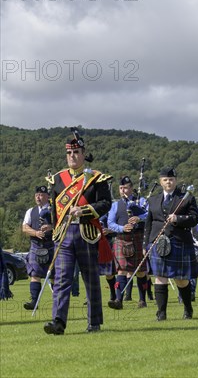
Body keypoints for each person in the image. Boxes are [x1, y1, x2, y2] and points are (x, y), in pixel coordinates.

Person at [44, 129, 113, 335]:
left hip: (87, 232)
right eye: (69, 153)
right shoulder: (57, 179)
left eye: (76, 152)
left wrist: (82, 210)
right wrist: (56, 230)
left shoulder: (97, 178)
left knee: (90, 278)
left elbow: (105, 204)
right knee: (63, 278)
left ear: (83, 154)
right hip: (64, 234)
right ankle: (58, 321)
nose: (72, 156)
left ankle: (94, 321)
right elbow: (54, 209)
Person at [144, 167, 198, 321]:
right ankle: (161, 313)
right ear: (161, 182)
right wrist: (145, 244)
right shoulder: (153, 200)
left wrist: (178, 219)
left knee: (181, 279)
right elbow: (149, 223)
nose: (168, 182)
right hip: (158, 242)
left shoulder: (186, 198)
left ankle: (188, 308)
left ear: (176, 180)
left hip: (179, 241)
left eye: (171, 179)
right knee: (160, 277)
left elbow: (195, 218)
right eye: (165, 179)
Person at [107, 176, 149, 309]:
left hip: (138, 237)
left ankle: (142, 300)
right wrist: (122, 228)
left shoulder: (141, 201)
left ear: (131, 188)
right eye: (120, 188)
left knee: (141, 271)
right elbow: (110, 223)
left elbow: (149, 215)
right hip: (122, 239)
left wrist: (139, 218)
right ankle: (119, 300)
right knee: (121, 270)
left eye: (125, 187)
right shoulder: (115, 205)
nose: (122, 190)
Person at [21, 185, 54, 310]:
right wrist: (35, 233)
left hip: (51, 246)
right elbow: (24, 227)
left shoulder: (54, 210)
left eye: (40, 195)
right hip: (36, 246)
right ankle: (34, 302)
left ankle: (58, 300)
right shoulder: (31, 211)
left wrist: (51, 227)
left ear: (47, 196)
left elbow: (62, 225)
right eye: (36, 195)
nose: (38, 197)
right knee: (34, 274)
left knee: (54, 275)